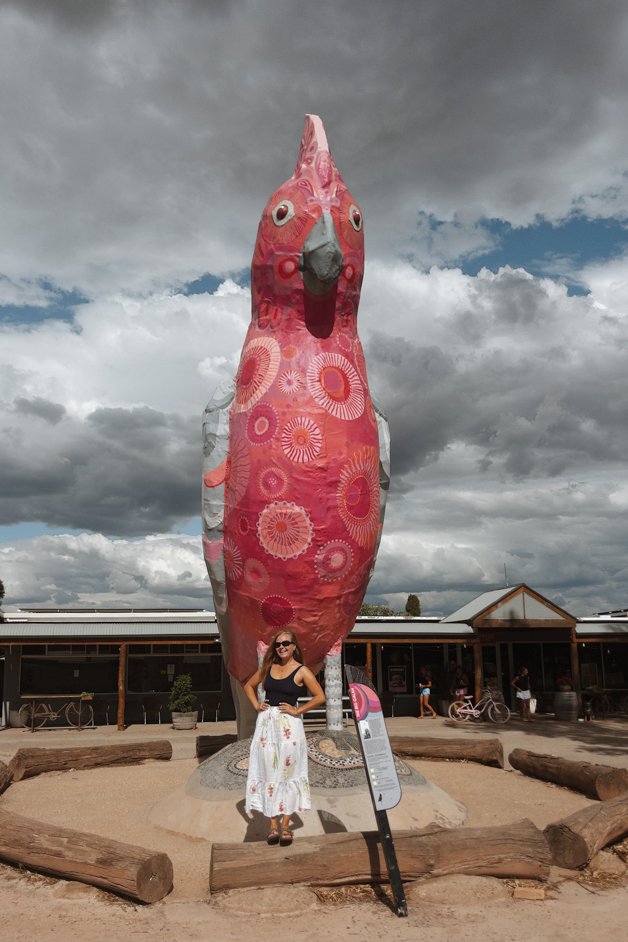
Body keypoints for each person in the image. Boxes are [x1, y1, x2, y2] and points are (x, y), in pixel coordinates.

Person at [243, 629, 325, 846]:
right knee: (268, 771)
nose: (282, 647)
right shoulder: (268, 668)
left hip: (289, 727)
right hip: (266, 727)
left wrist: (299, 710)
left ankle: (286, 825)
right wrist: (255, 705)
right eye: (278, 644)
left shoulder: (302, 671)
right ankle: (272, 826)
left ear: (294, 646)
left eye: (286, 643)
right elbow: (248, 686)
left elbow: (320, 697)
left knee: (289, 773)